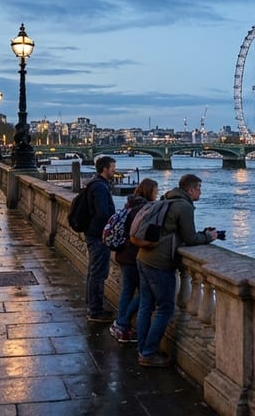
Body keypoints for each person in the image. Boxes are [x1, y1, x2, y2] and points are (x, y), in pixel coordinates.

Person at [135, 173, 219, 368]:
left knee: (146, 306)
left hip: (143, 257)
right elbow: (190, 238)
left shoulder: (167, 199)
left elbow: (175, 232)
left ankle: (142, 349)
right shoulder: (184, 206)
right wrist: (209, 237)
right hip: (160, 263)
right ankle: (147, 353)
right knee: (165, 309)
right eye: (199, 188)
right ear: (190, 189)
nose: (200, 191)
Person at [109, 178, 158, 344]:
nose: (156, 194)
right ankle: (123, 322)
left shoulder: (129, 204)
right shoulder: (143, 209)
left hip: (122, 253)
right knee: (146, 293)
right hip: (133, 256)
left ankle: (121, 325)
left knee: (127, 291)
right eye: (155, 191)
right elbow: (142, 234)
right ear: (149, 191)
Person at [84, 156, 118, 322]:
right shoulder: (100, 187)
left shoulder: (95, 183)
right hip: (98, 236)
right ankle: (95, 310)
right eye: (112, 167)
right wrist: (108, 230)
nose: (114, 170)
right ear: (105, 169)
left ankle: (91, 304)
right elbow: (103, 213)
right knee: (98, 272)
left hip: (93, 233)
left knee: (93, 271)